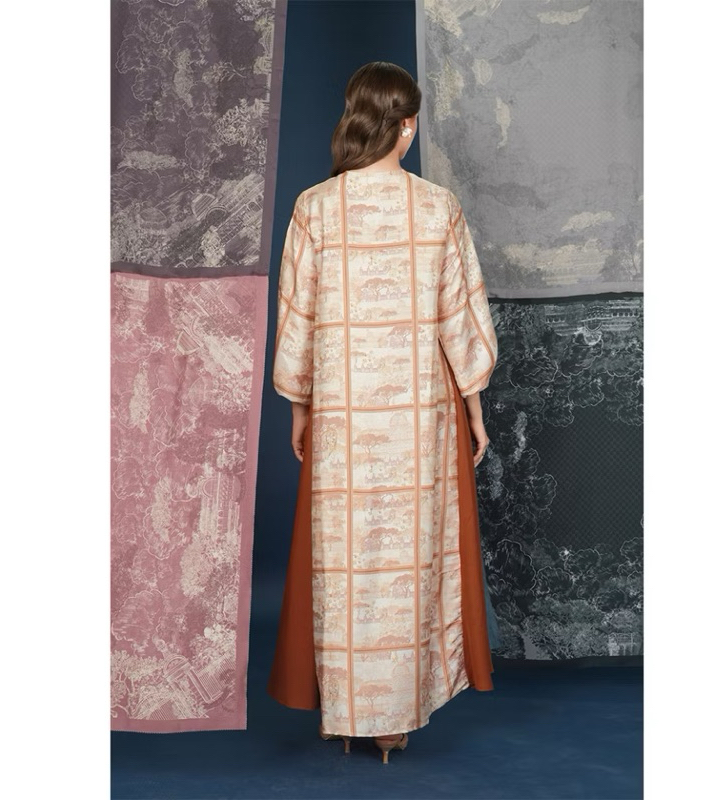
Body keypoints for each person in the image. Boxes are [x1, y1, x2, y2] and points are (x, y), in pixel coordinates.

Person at [267, 61, 498, 764]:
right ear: (408, 125)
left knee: (345, 556)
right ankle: (393, 719)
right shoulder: (438, 208)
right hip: (419, 418)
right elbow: (461, 319)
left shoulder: (314, 207)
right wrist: (475, 407)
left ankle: (344, 711)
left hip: (342, 413)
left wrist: (300, 407)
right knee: (411, 554)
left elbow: (297, 319)